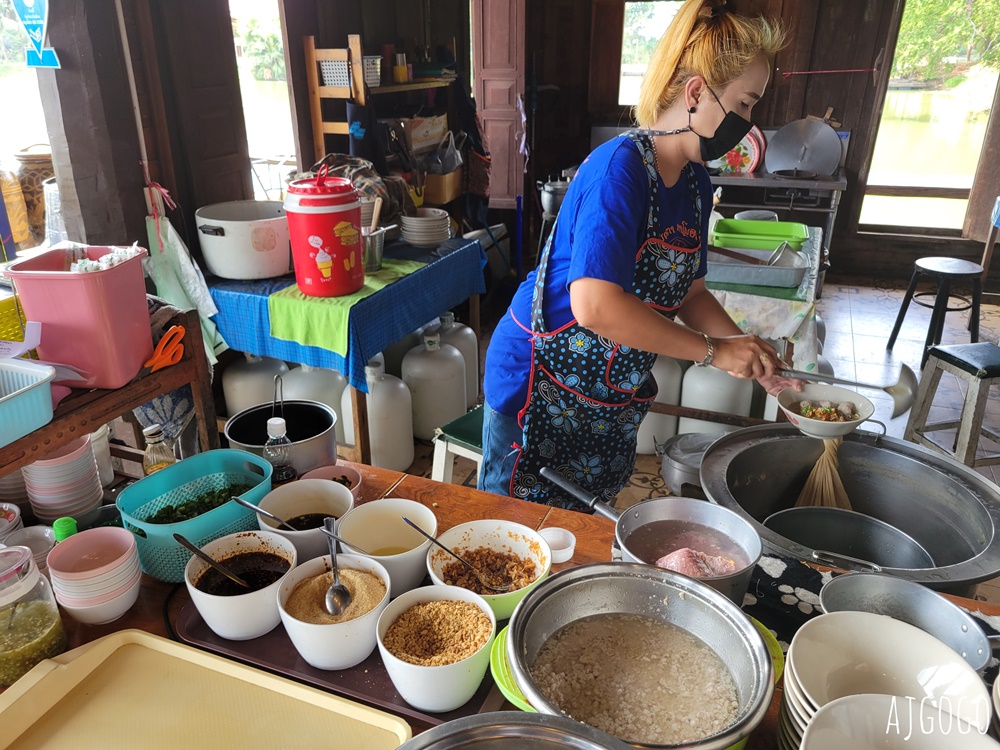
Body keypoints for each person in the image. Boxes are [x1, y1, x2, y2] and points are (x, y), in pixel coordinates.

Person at [480, 0, 797, 509]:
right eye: (744, 103)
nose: (749, 120)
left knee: (581, 519)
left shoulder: (694, 180)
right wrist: (712, 352)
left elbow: (690, 292)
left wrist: (741, 345)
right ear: (697, 93)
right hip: (542, 378)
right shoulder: (620, 171)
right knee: (516, 529)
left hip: (606, 385)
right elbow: (595, 305)